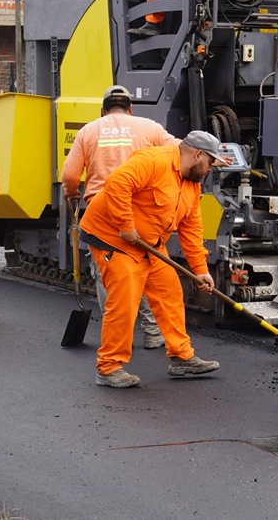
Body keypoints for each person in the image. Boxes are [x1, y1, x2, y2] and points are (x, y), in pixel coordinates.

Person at [79, 130, 229, 388]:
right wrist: (125, 225)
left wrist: (200, 269)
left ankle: (182, 357)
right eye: (210, 162)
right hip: (113, 238)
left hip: (149, 244)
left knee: (170, 292)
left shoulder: (191, 186)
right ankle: (109, 367)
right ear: (197, 154)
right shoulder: (154, 161)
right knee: (125, 301)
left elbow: (191, 229)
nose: (210, 169)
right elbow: (117, 184)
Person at [61, 84, 179, 350]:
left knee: (108, 272)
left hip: (102, 213)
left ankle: (114, 329)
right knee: (146, 266)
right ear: (130, 108)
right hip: (142, 212)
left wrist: (72, 194)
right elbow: (178, 152)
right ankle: (152, 332)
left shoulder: (88, 131)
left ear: (102, 110)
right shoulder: (149, 127)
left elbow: (69, 176)